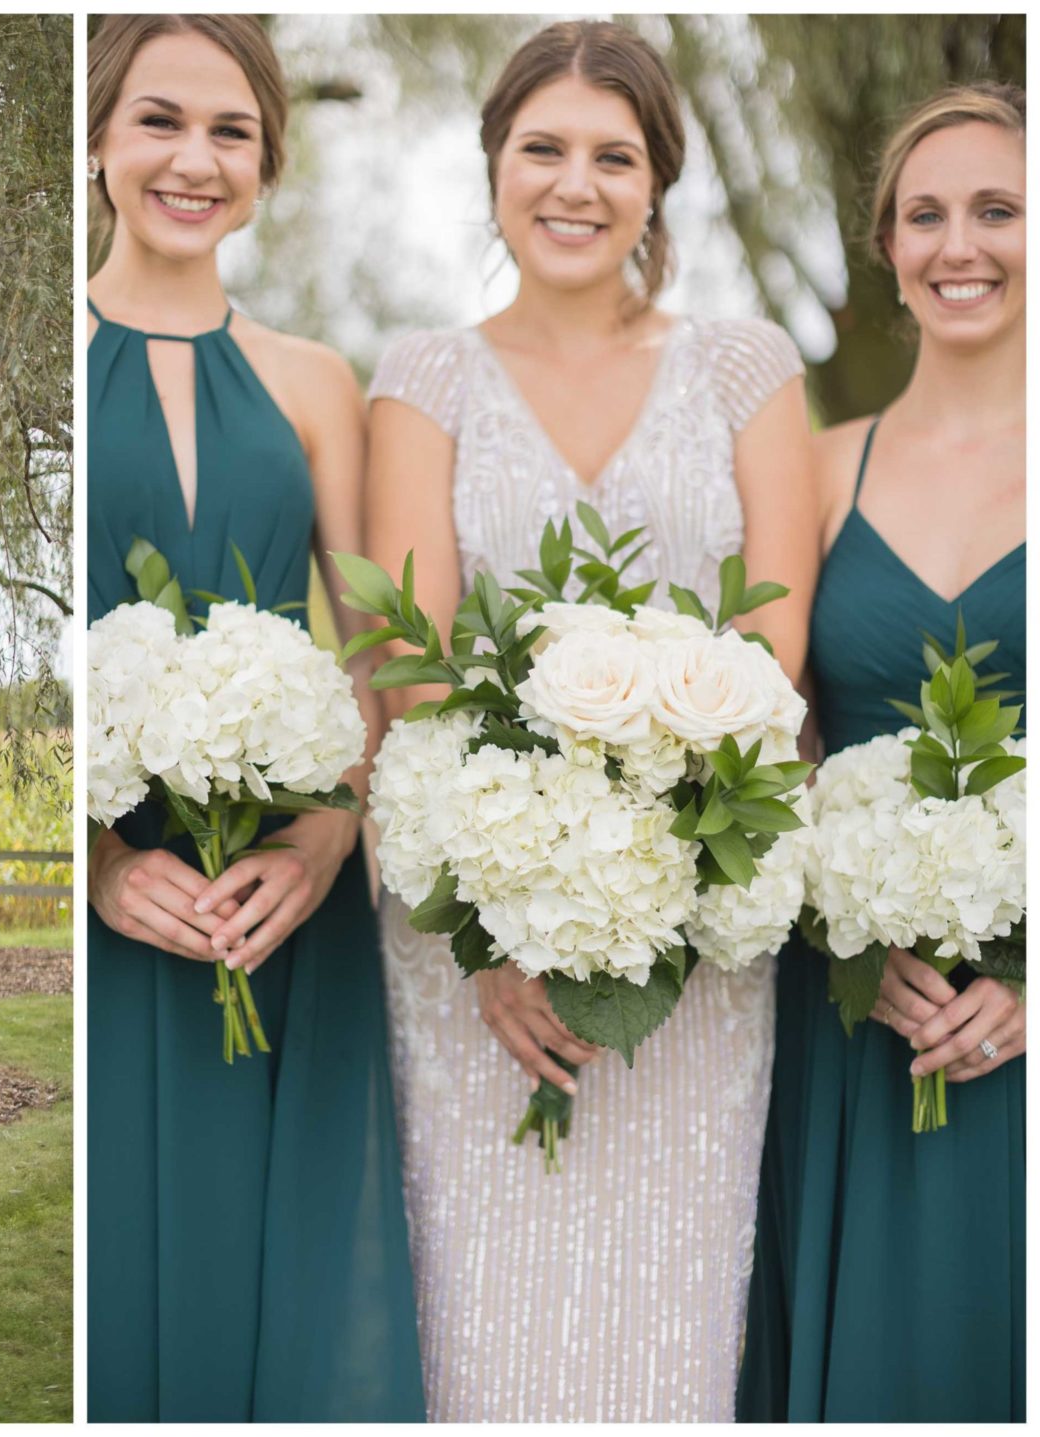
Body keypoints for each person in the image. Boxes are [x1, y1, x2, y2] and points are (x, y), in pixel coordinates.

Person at [365, 20, 815, 1420]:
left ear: (658, 179)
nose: (575, 182)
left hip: (696, 948)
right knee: (480, 1334)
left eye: (612, 155)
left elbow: (772, 647)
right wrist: (497, 938)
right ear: (495, 165)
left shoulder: (748, 369)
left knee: (669, 1332)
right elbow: (415, 669)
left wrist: (659, 888)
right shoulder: (422, 377)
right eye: (543, 148)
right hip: (472, 950)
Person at [85, 14, 425, 1421]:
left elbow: (374, 648)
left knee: (279, 1285)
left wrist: (325, 842)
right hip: (116, 902)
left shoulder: (314, 382)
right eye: (160, 119)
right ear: (100, 136)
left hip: (281, 907)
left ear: (267, 163)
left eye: (231, 131)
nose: (193, 158)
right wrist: (100, 865)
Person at [741, 82, 1026, 1423]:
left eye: (996, 209)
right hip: (856, 1022)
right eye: (926, 215)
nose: (958, 244)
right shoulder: (814, 467)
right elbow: (755, 740)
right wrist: (840, 909)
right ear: (889, 250)